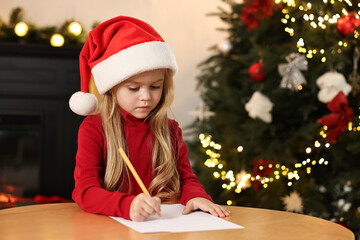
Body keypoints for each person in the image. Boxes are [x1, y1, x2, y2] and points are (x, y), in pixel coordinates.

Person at [69, 16, 230, 221]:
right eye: (134, 88)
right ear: (112, 88)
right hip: (109, 229)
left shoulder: (170, 129)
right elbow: (85, 192)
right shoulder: (94, 128)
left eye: (155, 86)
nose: (146, 96)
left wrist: (197, 196)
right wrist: (127, 206)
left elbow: (186, 179)